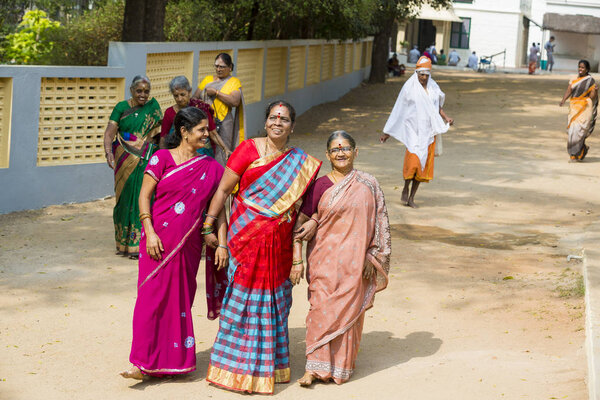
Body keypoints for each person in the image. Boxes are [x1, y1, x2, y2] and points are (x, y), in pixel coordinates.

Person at [204, 101, 322, 394]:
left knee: (275, 306)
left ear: (292, 126)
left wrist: (302, 249)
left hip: (279, 245)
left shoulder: (300, 163)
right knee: (240, 304)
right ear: (266, 121)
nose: (277, 122)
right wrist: (209, 225)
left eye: (284, 119)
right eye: (273, 117)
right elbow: (222, 189)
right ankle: (234, 369)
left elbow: (306, 211)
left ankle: (269, 368)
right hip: (245, 239)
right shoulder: (248, 149)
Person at [120, 107, 229, 380]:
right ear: (184, 131)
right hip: (157, 241)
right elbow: (144, 196)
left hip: (188, 246)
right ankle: (140, 363)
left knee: (179, 301)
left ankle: (173, 362)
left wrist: (223, 244)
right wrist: (150, 231)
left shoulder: (212, 168)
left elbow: (221, 209)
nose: (207, 134)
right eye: (202, 129)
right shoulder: (161, 159)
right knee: (149, 299)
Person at [292, 131, 391, 386]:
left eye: (346, 148)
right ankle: (312, 368)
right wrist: (297, 258)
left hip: (355, 262)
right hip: (323, 258)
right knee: (319, 309)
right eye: (335, 150)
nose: (341, 153)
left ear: (355, 152)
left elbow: (380, 222)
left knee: (347, 314)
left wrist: (374, 255)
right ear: (328, 155)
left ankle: (339, 368)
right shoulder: (321, 185)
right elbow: (300, 223)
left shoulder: (368, 184)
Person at [380, 56, 454, 208]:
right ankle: (406, 187)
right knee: (413, 163)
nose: (424, 78)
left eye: (427, 74)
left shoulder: (433, 88)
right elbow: (399, 110)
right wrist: (387, 133)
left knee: (422, 167)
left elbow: (437, 107)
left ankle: (412, 197)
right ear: (416, 73)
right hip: (413, 132)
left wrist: (446, 118)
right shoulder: (409, 88)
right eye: (421, 74)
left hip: (428, 132)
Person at [103, 75, 162, 259]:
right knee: (124, 199)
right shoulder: (121, 107)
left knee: (144, 197)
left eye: (146, 91)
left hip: (147, 158)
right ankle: (123, 243)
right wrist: (108, 152)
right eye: (139, 91)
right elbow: (109, 133)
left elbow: (160, 136)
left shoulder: (153, 107)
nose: (143, 95)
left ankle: (140, 244)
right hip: (124, 159)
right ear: (131, 90)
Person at [193, 53, 245, 166]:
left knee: (222, 152)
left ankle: (220, 178)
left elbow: (235, 101)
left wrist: (216, 93)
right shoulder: (208, 79)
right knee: (202, 149)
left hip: (224, 122)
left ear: (230, 67)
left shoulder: (234, 82)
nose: (218, 69)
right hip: (205, 121)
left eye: (222, 66)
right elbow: (194, 97)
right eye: (216, 66)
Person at [161, 76, 231, 159]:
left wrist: (225, 149)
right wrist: (163, 158)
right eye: (176, 96)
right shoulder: (169, 113)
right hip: (178, 156)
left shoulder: (200, 108)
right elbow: (163, 138)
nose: (179, 99)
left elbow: (213, 133)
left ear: (189, 91)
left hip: (201, 153)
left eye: (182, 94)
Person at [559, 60, 598, 161]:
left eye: (583, 68)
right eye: (579, 67)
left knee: (580, 130)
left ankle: (580, 150)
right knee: (572, 130)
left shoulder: (591, 81)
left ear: (587, 69)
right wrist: (563, 100)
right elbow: (569, 90)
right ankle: (576, 151)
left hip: (585, 108)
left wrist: (596, 91)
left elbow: (592, 97)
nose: (580, 69)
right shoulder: (574, 79)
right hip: (574, 107)